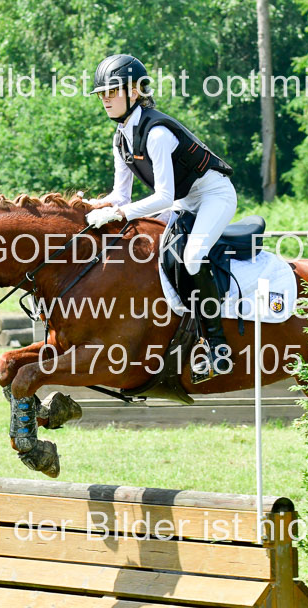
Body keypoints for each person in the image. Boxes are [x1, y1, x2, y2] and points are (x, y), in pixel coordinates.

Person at [84, 54, 237, 383]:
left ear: (134, 92)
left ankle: (218, 348)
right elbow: (120, 196)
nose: (105, 99)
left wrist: (118, 213)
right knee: (155, 253)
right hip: (185, 200)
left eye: (112, 92)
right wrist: (90, 206)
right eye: (102, 94)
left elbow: (164, 197)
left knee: (192, 257)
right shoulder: (120, 138)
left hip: (214, 196)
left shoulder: (156, 133)